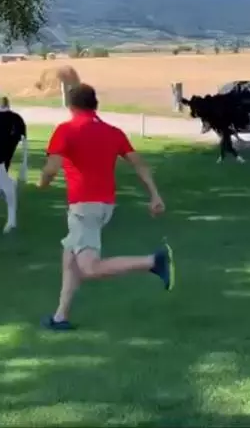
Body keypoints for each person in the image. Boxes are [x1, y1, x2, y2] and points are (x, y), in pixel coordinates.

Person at [39, 83, 175, 331]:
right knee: (69, 256)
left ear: (70, 106)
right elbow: (140, 164)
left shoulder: (66, 130)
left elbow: (51, 167)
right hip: (104, 206)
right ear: (95, 105)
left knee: (89, 268)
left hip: (83, 209)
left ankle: (153, 262)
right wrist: (155, 195)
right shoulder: (113, 132)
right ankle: (60, 317)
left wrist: (43, 182)